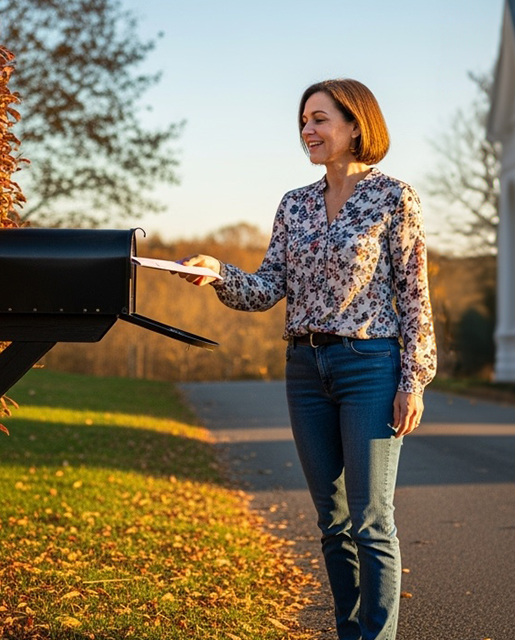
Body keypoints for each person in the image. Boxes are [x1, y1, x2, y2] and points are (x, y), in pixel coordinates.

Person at [177, 78, 436, 640]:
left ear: (354, 125)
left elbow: (414, 294)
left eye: (319, 119)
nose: (307, 131)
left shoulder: (394, 197)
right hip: (304, 369)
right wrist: (217, 273)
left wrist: (413, 379)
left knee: (371, 522)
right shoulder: (293, 204)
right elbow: (269, 287)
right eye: (303, 122)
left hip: (370, 365)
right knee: (332, 523)